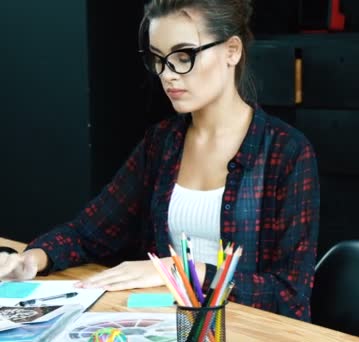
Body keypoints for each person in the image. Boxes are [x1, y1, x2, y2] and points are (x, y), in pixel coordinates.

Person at [0, 0, 320, 321]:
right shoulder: (163, 142)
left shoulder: (286, 151)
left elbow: (289, 296)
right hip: (167, 325)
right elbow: (89, 232)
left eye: (184, 56)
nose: (167, 74)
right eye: (158, 59)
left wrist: (182, 271)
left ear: (231, 51)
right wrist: (33, 258)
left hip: (248, 331)